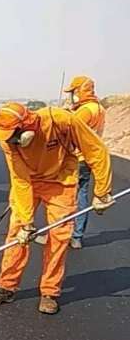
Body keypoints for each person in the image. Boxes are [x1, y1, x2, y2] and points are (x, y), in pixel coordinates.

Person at [0, 102, 113, 314]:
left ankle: (50, 292)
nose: (10, 141)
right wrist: (27, 223)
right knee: (17, 233)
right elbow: (20, 180)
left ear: (29, 126)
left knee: (59, 236)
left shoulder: (61, 120)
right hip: (29, 182)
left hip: (61, 181)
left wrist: (101, 192)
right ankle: (6, 286)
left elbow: (96, 151)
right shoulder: (8, 141)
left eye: (14, 135)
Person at [64, 75, 106, 249]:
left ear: (80, 91)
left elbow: (69, 132)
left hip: (76, 158)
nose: (71, 96)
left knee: (63, 198)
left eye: (73, 92)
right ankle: (77, 236)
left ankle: (60, 235)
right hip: (89, 159)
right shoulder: (99, 109)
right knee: (81, 196)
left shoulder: (84, 111)